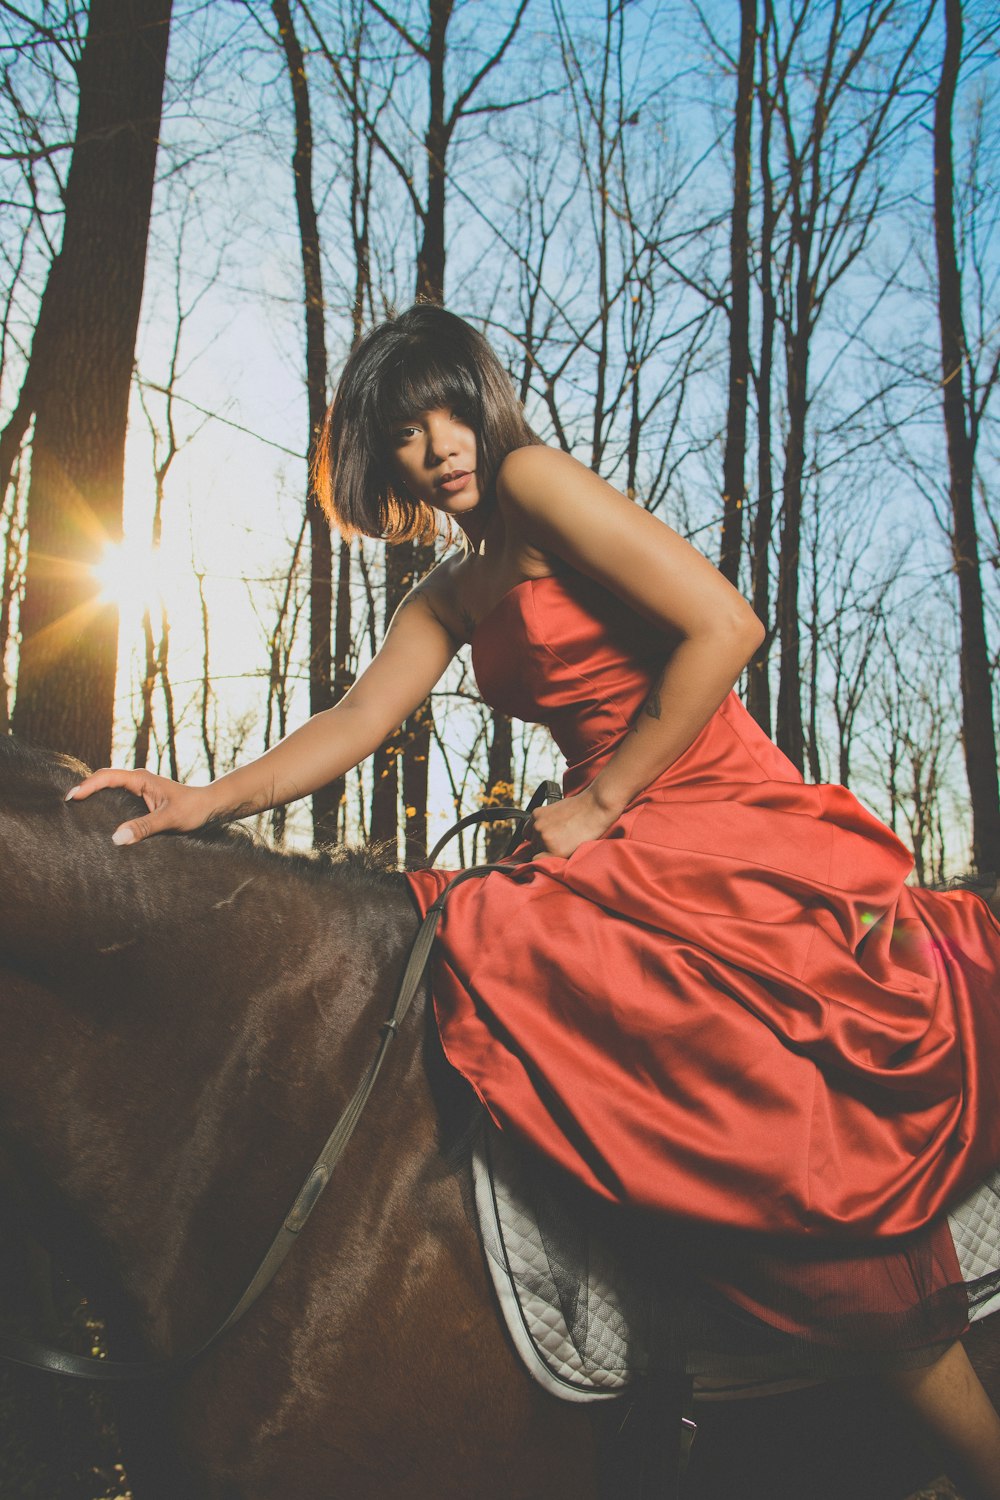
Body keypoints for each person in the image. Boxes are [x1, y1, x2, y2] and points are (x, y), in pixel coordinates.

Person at [68, 304, 1000, 1494]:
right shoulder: (450, 596)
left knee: (734, 1064)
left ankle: (905, 1354)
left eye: (452, 408)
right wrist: (203, 800)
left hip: (698, 794)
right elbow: (357, 720)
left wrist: (605, 798)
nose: (441, 444)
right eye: (407, 433)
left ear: (486, 400)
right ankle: (614, 1350)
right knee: (470, 944)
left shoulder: (541, 479)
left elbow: (729, 624)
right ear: (380, 458)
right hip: (605, 819)